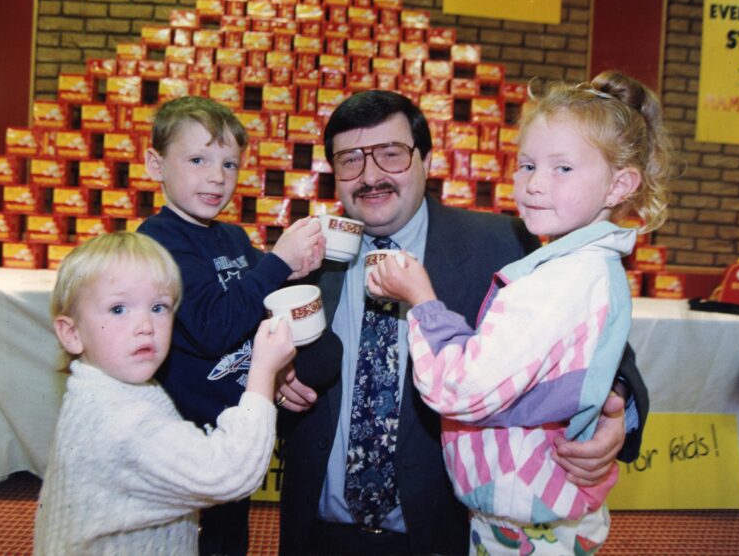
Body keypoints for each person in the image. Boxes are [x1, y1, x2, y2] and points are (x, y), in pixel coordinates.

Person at [276, 89, 649, 555]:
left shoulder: (509, 242)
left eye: (391, 154)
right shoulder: (303, 255)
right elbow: (235, 356)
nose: (370, 176)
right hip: (318, 530)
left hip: (447, 529)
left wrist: (615, 407)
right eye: (350, 160)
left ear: (426, 161)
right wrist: (275, 380)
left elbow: (600, 338)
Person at [368, 71, 671, 554]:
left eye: (563, 169)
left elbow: (461, 388)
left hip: (528, 510)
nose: (534, 185)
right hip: (518, 502)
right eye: (527, 165)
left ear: (620, 185)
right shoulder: (579, 263)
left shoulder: (559, 276)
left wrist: (422, 301)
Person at [137, 96, 323, 555]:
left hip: (234, 424)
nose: (217, 177)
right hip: (187, 434)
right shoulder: (157, 242)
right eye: (198, 159)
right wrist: (278, 261)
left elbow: (258, 302)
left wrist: (296, 270)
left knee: (229, 537)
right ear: (155, 165)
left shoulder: (232, 237)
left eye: (229, 164)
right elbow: (211, 326)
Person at [34, 232, 295, 555]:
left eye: (159, 307)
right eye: (118, 309)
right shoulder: (122, 421)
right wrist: (263, 372)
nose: (145, 324)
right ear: (72, 334)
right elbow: (230, 474)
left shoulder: (108, 387)